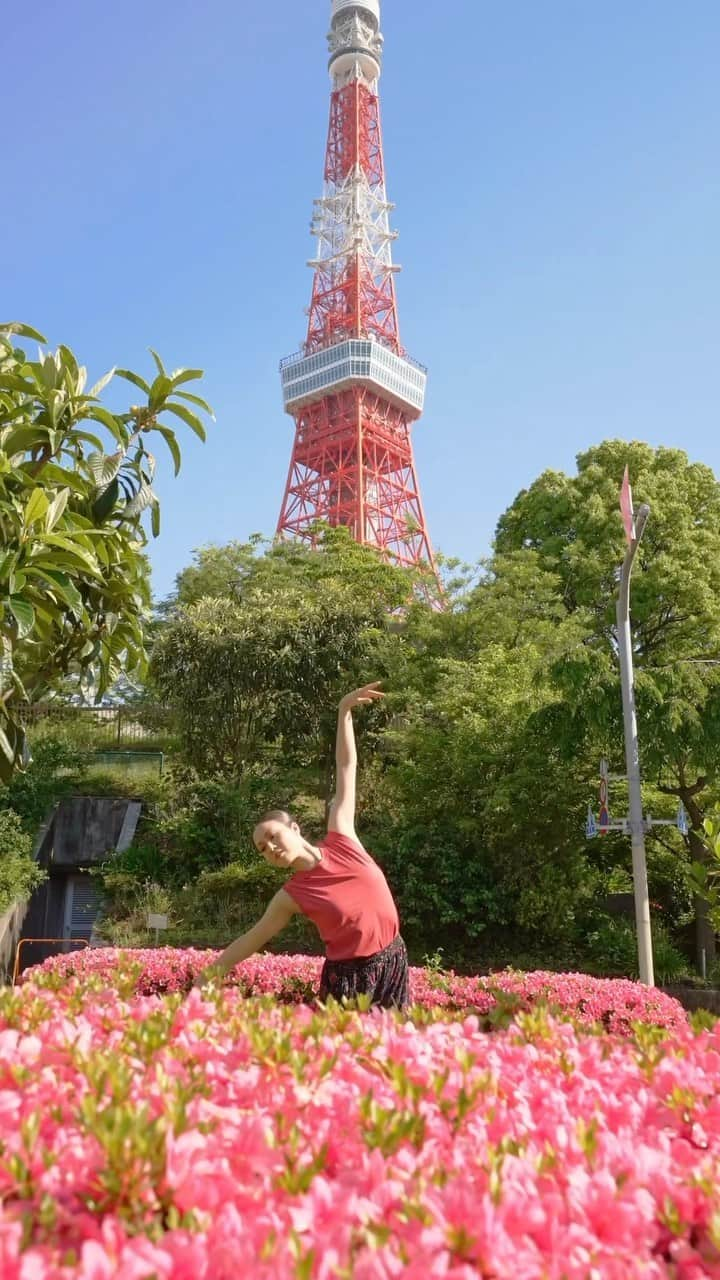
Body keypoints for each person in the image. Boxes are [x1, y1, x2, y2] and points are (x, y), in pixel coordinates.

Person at [193, 683, 409, 1009]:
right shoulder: (291, 896)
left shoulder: (342, 835)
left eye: (273, 837)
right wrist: (208, 975)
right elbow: (253, 938)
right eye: (262, 848)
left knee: (396, 1055)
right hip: (349, 980)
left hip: (393, 960)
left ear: (294, 828)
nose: (270, 847)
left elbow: (346, 768)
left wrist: (344, 711)